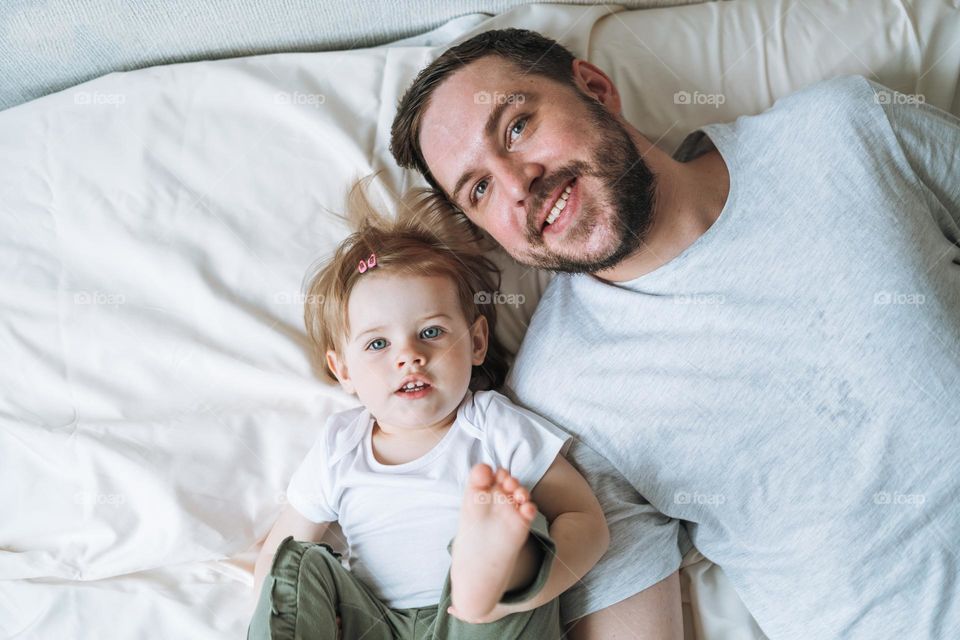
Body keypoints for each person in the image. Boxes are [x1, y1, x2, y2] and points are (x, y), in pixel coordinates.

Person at [389, 28, 960, 640]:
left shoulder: (845, 130)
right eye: (478, 189)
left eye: (517, 127)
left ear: (596, 90)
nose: (516, 183)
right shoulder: (562, 396)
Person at [247, 181, 610, 640]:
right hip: (372, 624)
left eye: (432, 332)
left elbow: (585, 522)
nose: (409, 357)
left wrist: (523, 595)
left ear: (476, 342)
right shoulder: (340, 446)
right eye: (378, 344)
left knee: (519, 522)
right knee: (295, 562)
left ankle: (490, 578)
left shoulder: (493, 425)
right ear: (344, 372)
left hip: (474, 621)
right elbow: (280, 561)